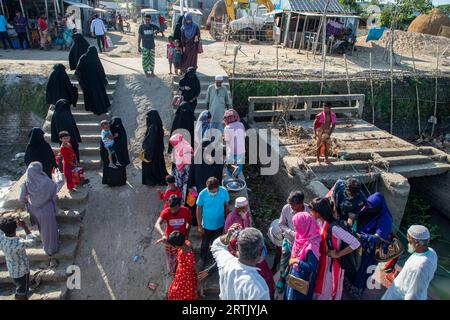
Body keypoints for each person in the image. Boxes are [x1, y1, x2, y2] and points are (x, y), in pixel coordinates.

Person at [309, 198, 361, 300]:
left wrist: (338, 254)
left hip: (331, 266)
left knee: (326, 291)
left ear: (319, 213)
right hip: (323, 262)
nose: (310, 213)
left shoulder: (335, 228)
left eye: (312, 211)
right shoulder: (321, 221)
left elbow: (356, 243)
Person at [344, 192, 393, 299]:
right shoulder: (368, 207)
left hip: (370, 250)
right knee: (353, 265)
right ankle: (347, 282)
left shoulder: (385, 219)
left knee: (362, 270)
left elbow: (378, 238)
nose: (368, 208)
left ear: (378, 207)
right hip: (359, 243)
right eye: (368, 205)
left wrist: (362, 237)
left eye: (371, 207)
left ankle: (355, 291)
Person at [211, 225, 270, 300]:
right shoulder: (260, 289)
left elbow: (216, 245)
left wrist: (228, 235)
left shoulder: (226, 262)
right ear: (261, 252)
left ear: (236, 247)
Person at [19, 161, 63, 258]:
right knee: (50, 230)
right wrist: (60, 181)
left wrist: (28, 202)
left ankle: (45, 244)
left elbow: (21, 198)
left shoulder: (26, 182)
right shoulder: (46, 181)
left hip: (34, 209)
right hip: (46, 209)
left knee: (42, 229)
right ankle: (51, 250)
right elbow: (54, 190)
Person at [382, 225, 437, 300]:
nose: (408, 244)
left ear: (417, 243)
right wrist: (403, 276)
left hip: (398, 296)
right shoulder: (431, 252)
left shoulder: (419, 267)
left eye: (410, 242)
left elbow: (414, 296)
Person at [277, 191, 310, 293]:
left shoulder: (309, 212)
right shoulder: (286, 208)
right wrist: (291, 232)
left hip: (303, 246)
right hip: (289, 241)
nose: (291, 207)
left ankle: (293, 284)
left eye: (293, 205)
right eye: (290, 204)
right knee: (284, 262)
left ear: (301, 204)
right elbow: (281, 224)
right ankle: (282, 278)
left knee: (297, 266)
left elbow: (314, 229)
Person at [285, 211, 321, 300]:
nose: (295, 228)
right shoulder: (301, 235)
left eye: (297, 226)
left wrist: (296, 261)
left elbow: (312, 267)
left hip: (302, 279)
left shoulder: (312, 245)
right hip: (294, 274)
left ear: (305, 225)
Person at [196, 176, 230, 269]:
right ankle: (202, 258)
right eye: (211, 192)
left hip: (219, 224)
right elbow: (199, 209)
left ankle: (215, 259)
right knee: (205, 243)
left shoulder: (224, 191)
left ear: (218, 187)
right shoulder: (202, 194)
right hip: (206, 225)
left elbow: (227, 207)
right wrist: (199, 225)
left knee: (217, 242)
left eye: (215, 192)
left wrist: (227, 223)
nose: (213, 193)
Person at [0, 216, 36, 300]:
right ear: (16, 228)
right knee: (22, 291)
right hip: (22, 271)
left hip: (12, 269)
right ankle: (21, 296)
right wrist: (25, 226)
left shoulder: (1, 239)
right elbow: (33, 241)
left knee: (19, 285)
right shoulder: (19, 243)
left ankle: (20, 293)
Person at [155, 195, 192, 274]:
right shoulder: (166, 212)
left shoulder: (186, 211)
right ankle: (173, 271)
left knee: (182, 257)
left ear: (179, 205)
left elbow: (189, 222)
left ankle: (181, 271)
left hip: (181, 241)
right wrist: (163, 234)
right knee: (171, 258)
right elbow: (157, 224)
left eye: (175, 209)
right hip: (170, 241)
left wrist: (187, 234)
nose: (172, 211)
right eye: (171, 208)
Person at [75, 46, 111, 115]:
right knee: (98, 95)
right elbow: (100, 70)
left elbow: (78, 70)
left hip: (87, 82)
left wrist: (82, 80)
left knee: (90, 95)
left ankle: (91, 108)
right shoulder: (95, 58)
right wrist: (103, 79)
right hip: (97, 82)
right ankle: (100, 108)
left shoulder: (83, 57)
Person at [165, 231, 200, 300]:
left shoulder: (189, 255)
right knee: (176, 291)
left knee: (180, 292)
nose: (171, 247)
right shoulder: (186, 243)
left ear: (177, 246)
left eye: (172, 245)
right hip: (180, 272)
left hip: (186, 278)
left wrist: (200, 283)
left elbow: (196, 268)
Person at [100, 117, 130, 187]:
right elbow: (103, 141)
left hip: (119, 154)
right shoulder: (107, 130)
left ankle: (120, 181)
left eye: (118, 125)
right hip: (109, 153)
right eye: (115, 125)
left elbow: (122, 143)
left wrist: (115, 147)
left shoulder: (122, 132)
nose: (116, 127)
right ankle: (110, 181)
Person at [142, 110, 168, 186]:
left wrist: (146, 149)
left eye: (148, 117)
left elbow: (150, 141)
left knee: (152, 166)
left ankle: (153, 180)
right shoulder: (158, 125)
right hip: (158, 150)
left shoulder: (153, 128)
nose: (147, 119)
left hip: (152, 151)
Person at [169, 133, 193, 200]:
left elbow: (189, 169)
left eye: (174, 144)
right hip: (180, 176)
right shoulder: (181, 147)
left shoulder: (186, 152)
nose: (174, 146)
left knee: (185, 192)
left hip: (185, 177)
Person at [223, 109, 246, 177]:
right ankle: (237, 175)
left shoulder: (227, 128)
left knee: (230, 167)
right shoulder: (241, 124)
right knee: (239, 164)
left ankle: (231, 179)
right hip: (241, 149)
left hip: (232, 151)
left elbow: (227, 140)